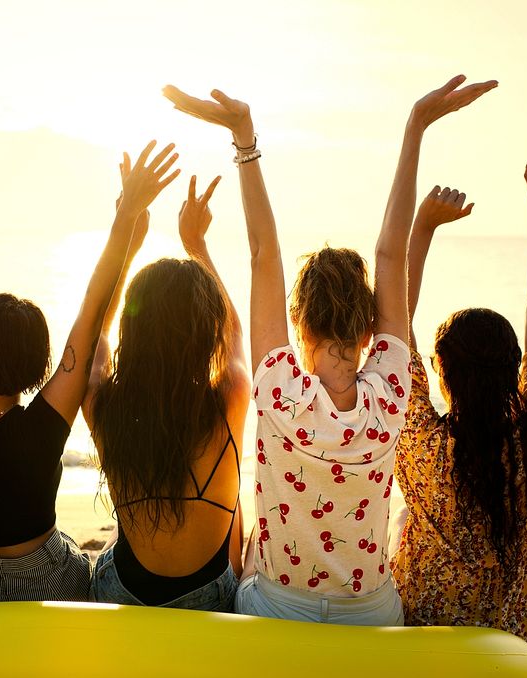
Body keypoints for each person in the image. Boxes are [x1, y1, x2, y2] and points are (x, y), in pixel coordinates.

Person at [164, 75, 497, 624]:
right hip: (369, 613)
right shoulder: (392, 390)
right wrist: (415, 127)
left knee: (244, 564)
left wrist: (244, 138)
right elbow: (392, 259)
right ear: (370, 330)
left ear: (298, 324)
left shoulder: (278, 386)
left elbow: (262, 254)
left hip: (276, 608)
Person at [0, 142, 180, 602]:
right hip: (46, 581)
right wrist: (126, 225)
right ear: (39, 361)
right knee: (80, 558)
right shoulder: (45, 422)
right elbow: (90, 321)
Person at [392, 165, 527, 658]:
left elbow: (393, 320)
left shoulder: (423, 442)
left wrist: (423, 226)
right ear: (514, 369)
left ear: (440, 373)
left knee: (401, 519)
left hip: (428, 632)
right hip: (518, 640)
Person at [84, 173, 250, 611]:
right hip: (208, 596)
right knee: (234, 513)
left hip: (125, 593)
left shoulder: (104, 403)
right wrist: (196, 243)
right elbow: (235, 335)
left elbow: (96, 329)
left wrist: (128, 242)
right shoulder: (229, 396)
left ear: (133, 330)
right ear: (205, 334)